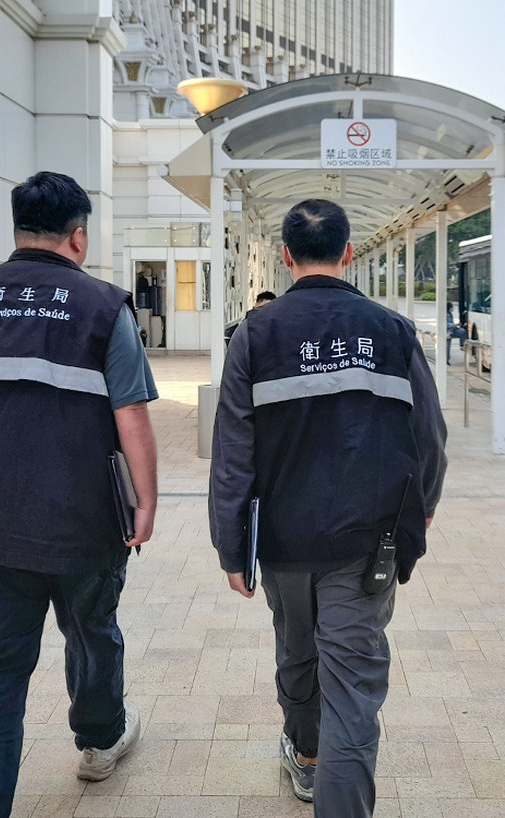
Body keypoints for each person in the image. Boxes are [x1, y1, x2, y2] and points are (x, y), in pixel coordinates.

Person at [0, 171, 159, 818]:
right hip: (83, 513)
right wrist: (146, 501)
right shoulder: (104, 306)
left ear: (17, 230)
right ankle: (99, 742)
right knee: (92, 630)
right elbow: (130, 413)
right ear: (78, 237)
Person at [209, 198, 447, 818]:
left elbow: (233, 450)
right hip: (369, 542)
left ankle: (309, 756)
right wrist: (421, 509)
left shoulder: (255, 333)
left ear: (286, 255)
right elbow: (429, 435)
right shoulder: (391, 331)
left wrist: (231, 545)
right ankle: (329, 779)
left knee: (296, 650)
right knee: (353, 685)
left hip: (283, 539)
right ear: (347, 252)